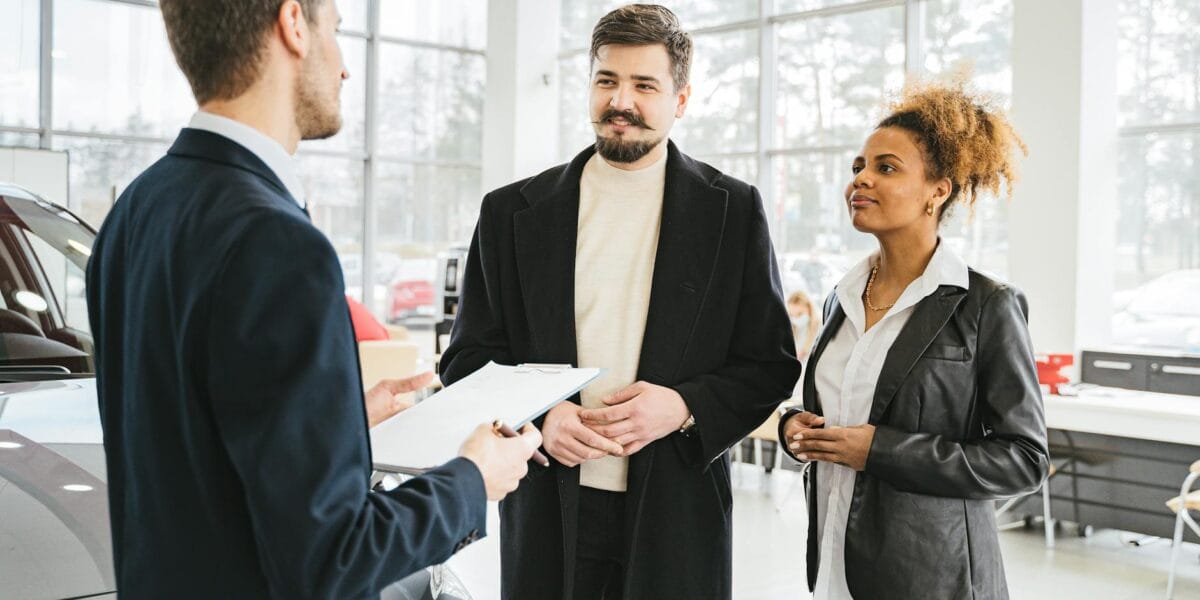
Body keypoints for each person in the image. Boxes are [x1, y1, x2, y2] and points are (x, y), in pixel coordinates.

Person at [85, 1, 540, 597]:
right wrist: (473, 480)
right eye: (339, 33)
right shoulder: (277, 243)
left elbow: (190, 453)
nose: (346, 68)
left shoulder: (135, 211)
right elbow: (331, 558)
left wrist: (339, 426)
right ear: (293, 23)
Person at [439, 5, 800, 599]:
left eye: (644, 85)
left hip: (676, 515)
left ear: (680, 100)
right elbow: (467, 357)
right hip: (548, 507)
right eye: (607, 80)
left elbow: (769, 364)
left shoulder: (733, 211)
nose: (620, 101)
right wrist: (537, 417)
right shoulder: (510, 212)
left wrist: (683, 407)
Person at [778, 74, 1049, 599]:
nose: (861, 180)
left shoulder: (985, 305)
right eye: (858, 166)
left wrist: (881, 450)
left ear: (937, 190)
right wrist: (796, 429)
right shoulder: (843, 295)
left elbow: (1024, 459)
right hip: (836, 563)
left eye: (886, 168)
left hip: (930, 578)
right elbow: (833, 404)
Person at [787, 290, 820, 362]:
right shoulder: (790, 331)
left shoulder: (821, 327)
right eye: (792, 315)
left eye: (800, 314)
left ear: (809, 308)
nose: (796, 319)